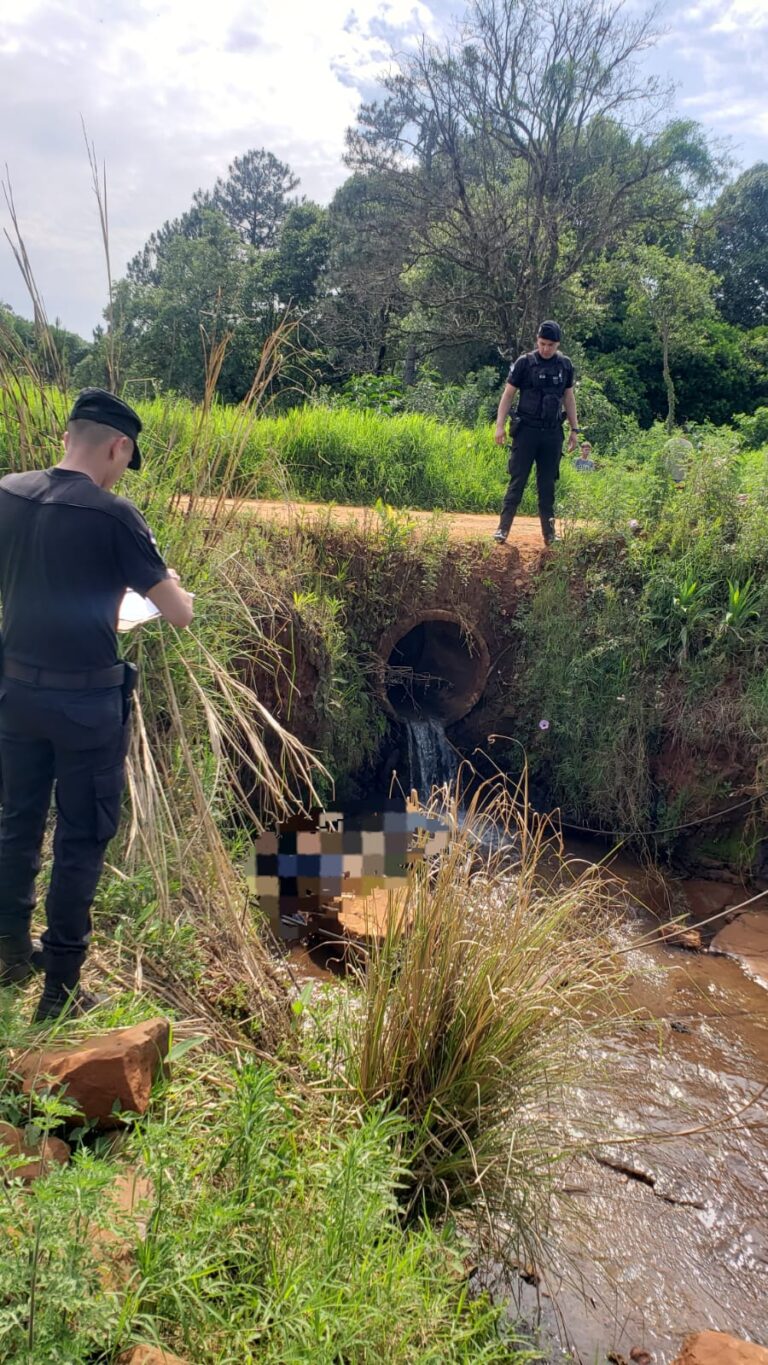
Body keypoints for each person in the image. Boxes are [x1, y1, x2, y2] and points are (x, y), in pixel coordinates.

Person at [0, 388, 194, 1022]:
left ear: (68, 437)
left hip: (15, 695)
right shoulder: (116, 515)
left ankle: (8, 954)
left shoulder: (9, 492)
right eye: (123, 459)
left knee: (18, 822)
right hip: (84, 709)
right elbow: (178, 613)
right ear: (118, 446)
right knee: (81, 839)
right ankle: (58, 991)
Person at [492, 321, 580, 545]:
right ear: (536, 341)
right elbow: (508, 394)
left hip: (551, 433)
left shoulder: (565, 365)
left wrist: (574, 430)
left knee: (547, 485)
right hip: (526, 432)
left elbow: (569, 398)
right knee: (518, 480)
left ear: (558, 344)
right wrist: (499, 425)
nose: (545, 349)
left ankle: (549, 535)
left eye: (550, 345)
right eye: (542, 344)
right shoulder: (525, 363)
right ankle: (503, 529)